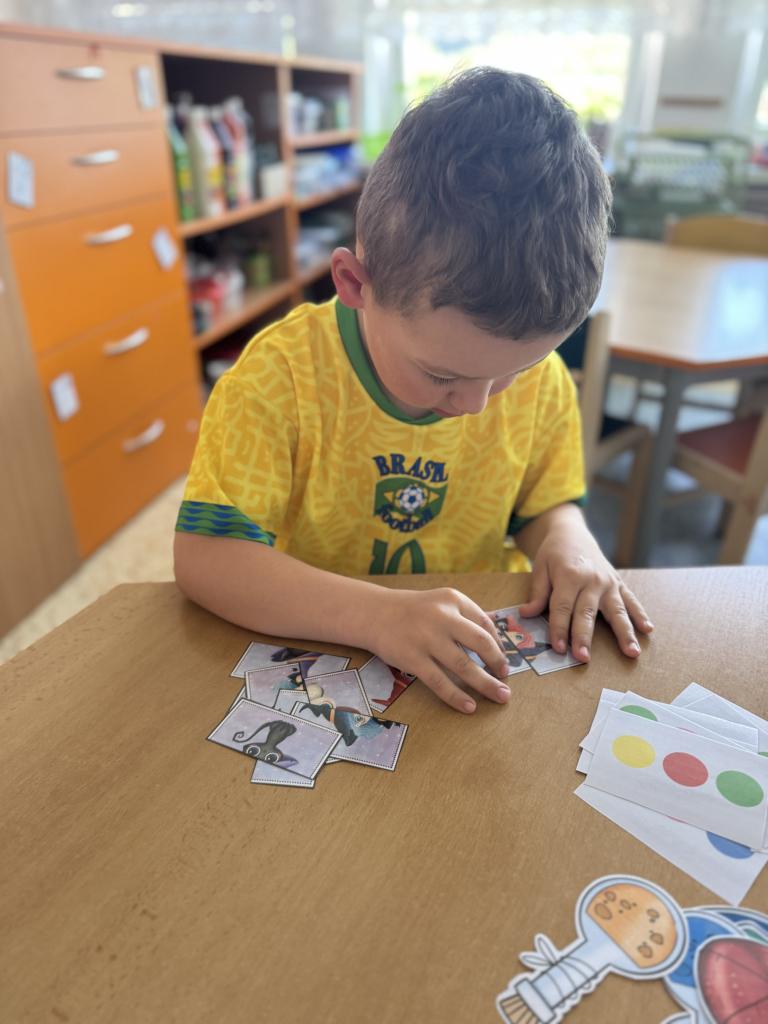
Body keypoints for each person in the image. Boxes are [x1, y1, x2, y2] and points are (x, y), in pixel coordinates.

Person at [174, 67, 653, 715]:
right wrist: (377, 614)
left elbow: (544, 504)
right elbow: (207, 558)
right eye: (442, 376)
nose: (477, 404)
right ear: (355, 284)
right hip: (329, 650)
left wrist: (569, 541)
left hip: (464, 670)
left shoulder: (536, 377)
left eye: (514, 371)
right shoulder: (278, 376)